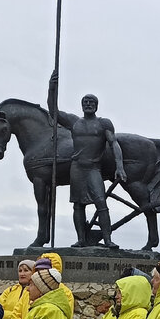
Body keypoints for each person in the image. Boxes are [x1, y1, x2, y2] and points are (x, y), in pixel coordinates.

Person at [49, 71, 125, 248]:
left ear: (96, 106)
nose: (88, 104)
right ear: (82, 105)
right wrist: (52, 88)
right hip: (77, 168)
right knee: (78, 205)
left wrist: (119, 166)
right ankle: (81, 239)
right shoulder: (74, 122)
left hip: (93, 168)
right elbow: (53, 111)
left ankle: (107, 239)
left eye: (91, 102)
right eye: (85, 102)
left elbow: (114, 143)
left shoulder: (104, 123)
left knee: (101, 202)